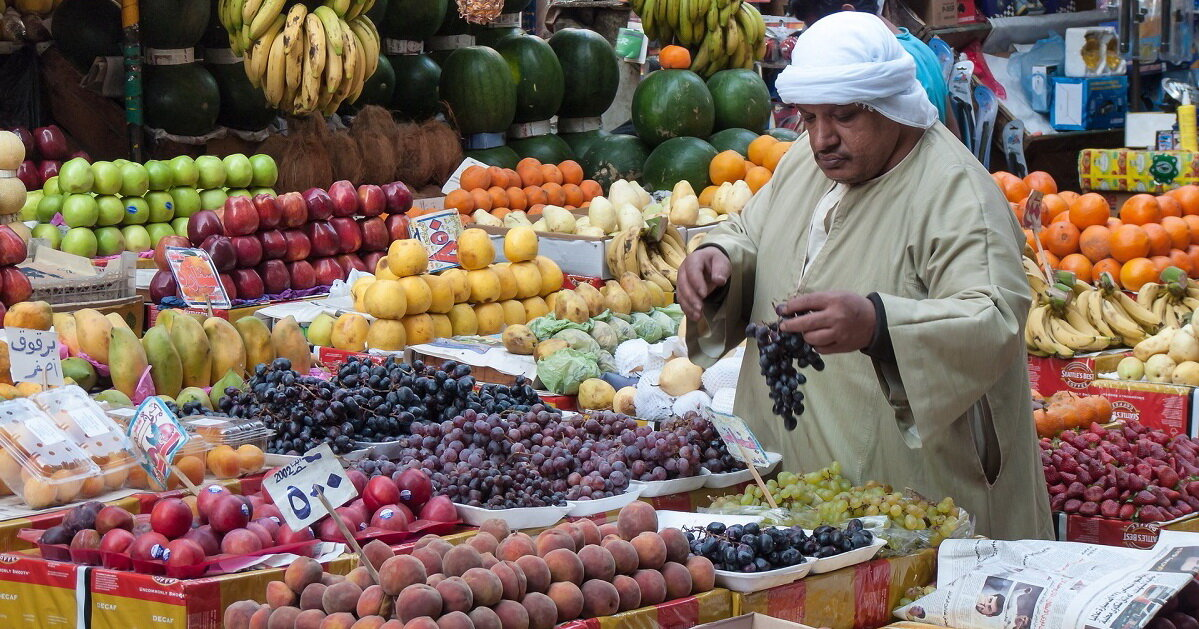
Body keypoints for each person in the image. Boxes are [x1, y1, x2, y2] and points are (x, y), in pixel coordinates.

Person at [678, 12, 1052, 541]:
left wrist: (879, 324)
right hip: (793, 486)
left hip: (908, 499)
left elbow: (994, 318)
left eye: (844, 117)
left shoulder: (956, 193)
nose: (823, 138)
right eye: (808, 118)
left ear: (889, 105)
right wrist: (716, 257)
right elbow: (750, 230)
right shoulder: (805, 164)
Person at [789, 0, 956, 134]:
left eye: (816, 27)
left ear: (847, 13)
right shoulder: (922, 48)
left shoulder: (881, 65)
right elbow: (952, 134)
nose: (813, 38)